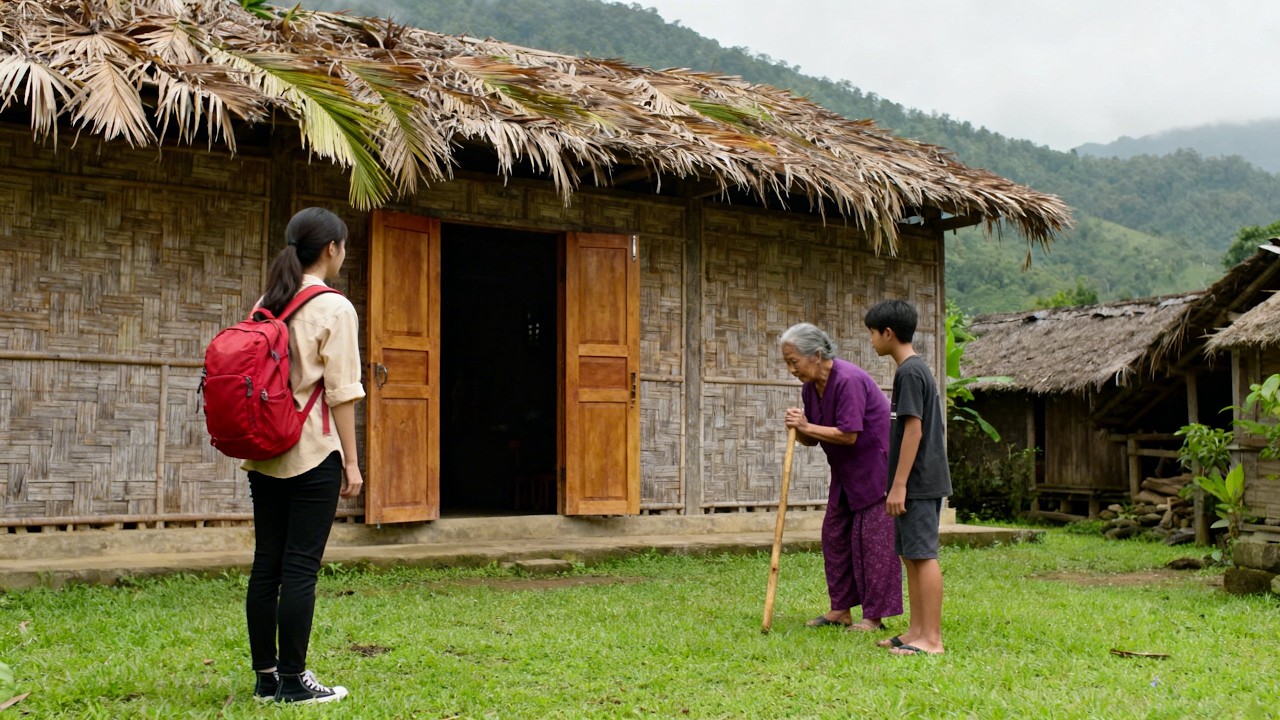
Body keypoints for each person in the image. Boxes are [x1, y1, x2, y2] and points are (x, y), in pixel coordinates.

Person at [242, 207, 365, 703]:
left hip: (263, 452)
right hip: (312, 452)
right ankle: (295, 683)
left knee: (266, 563)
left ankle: (265, 678)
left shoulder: (266, 302)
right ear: (332, 248)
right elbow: (342, 393)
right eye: (344, 246)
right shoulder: (335, 308)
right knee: (299, 568)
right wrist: (352, 463)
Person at [780, 323, 902, 632]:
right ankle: (840, 610)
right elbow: (814, 438)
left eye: (794, 361)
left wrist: (807, 427)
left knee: (873, 542)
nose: (791, 369)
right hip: (845, 473)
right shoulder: (811, 386)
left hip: (875, 468)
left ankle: (873, 617)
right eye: (788, 363)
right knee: (834, 536)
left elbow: (848, 434)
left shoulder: (847, 379)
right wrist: (801, 427)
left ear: (817, 355)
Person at [865, 300, 950, 656]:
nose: (870, 339)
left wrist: (899, 484)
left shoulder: (910, 373)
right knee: (910, 555)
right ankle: (916, 630)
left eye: (872, 332)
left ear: (888, 333)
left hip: (919, 482)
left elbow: (913, 431)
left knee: (923, 555)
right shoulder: (911, 371)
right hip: (912, 482)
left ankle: (932, 639)